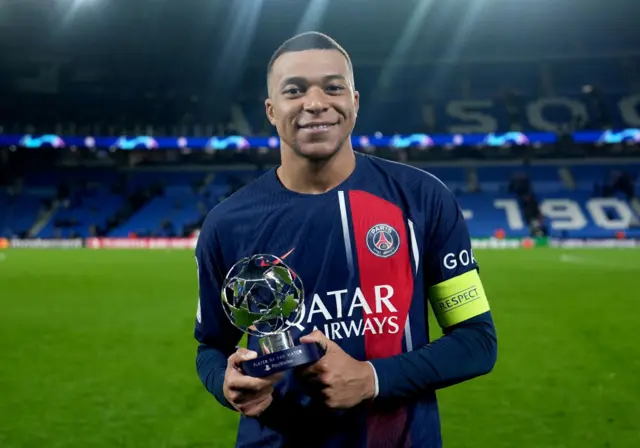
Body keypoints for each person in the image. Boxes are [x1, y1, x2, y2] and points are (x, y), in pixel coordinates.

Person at [194, 31, 498, 448]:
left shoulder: (423, 199)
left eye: (332, 87)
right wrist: (227, 383)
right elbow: (211, 346)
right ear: (271, 109)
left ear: (354, 101)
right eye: (294, 90)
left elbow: (477, 341)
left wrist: (373, 379)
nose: (315, 103)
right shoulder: (227, 223)